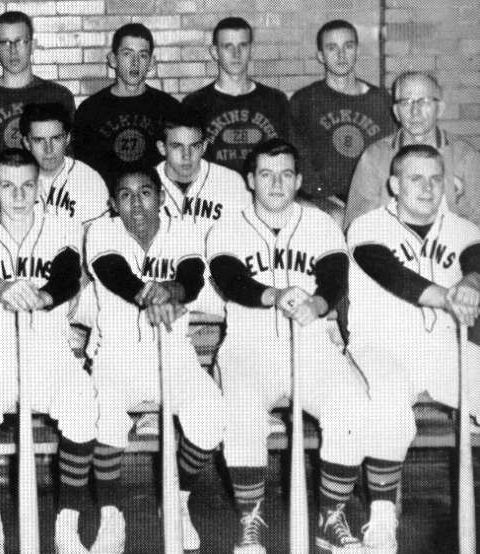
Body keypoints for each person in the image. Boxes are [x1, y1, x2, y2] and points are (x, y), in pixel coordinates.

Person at [206, 139, 369, 553]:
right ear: (250, 179)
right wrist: (275, 296)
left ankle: (330, 518)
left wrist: (317, 303)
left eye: (284, 174)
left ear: (297, 180)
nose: (275, 183)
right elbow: (230, 278)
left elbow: (335, 276)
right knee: (241, 412)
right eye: (265, 174)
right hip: (249, 346)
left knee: (352, 402)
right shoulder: (228, 225)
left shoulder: (320, 224)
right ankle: (250, 522)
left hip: (312, 345)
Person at [0, 148, 97, 554]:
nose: (18, 195)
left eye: (27, 186)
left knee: (83, 406)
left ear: (39, 187)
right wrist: (2, 288)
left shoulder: (62, 227)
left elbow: (69, 275)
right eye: (7, 186)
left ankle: (66, 525)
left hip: (49, 350)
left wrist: (43, 296)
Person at [346, 144, 480, 554]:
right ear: (393, 184)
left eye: (435, 178)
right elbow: (389, 272)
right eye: (415, 178)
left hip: (443, 347)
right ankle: (382, 521)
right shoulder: (367, 226)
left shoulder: (462, 229)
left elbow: (477, 258)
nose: (427, 187)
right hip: (380, 346)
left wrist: (472, 282)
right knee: (388, 401)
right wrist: (450, 296)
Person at [85, 167, 224, 553]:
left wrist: (171, 292)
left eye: (145, 192)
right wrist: (152, 294)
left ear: (161, 197)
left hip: (175, 356)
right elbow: (114, 273)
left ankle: (176, 501)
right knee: (104, 417)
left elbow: (192, 276)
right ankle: (111, 515)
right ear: (113, 203)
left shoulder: (184, 230)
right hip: (117, 355)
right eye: (125, 195)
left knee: (211, 412)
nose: (136, 203)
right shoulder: (101, 231)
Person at [345, 72, 480, 231]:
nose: (415, 111)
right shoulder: (374, 156)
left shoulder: (464, 156)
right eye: (406, 102)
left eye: (424, 101)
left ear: (440, 109)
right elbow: (356, 226)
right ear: (396, 112)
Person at [290, 20, 395, 220]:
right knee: (336, 218)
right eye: (332, 48)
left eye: (348, 46)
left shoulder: (380, 100)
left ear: (357, 50)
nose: (341, 55)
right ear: (320, 55)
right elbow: (298, 158)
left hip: (372, 199)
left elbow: (390, 154)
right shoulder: (304, 101)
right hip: (322, 200)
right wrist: (325, 198)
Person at [154, 108, 251, 316]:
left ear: (205, 146)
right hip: (166, 282)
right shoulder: (145, 184)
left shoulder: (230, 182)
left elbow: (246, 241)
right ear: (162, 148)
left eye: (195, 146)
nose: (187, 156)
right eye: (177, 146)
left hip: (217, 284)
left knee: (252, 310)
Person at [0, 11, 75, 174]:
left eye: (20, 41)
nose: (13, 51)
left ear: (32, 45)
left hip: (46, 194)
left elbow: (68, 158)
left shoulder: (57, 96)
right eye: (5, 42)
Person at [73, 23, 182, 180]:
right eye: (127, 54)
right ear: (113, 59)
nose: (135, 62)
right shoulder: (91, 110)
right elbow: (84, 172)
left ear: (151, 63)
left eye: (143, 55)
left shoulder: (168, 107)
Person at [182, 17, 290, 173]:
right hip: (216, 194)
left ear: (251, 50)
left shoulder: (275, 100)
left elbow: (287, 157)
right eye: (228, 46)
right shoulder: (195, 103)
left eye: (243, 46)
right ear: (215, 52)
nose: (236, 54)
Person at [21, 102, 109, 224]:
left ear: (67, 138)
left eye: (56, 138)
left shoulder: (89, 179)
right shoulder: (14, 179)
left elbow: (98, 236)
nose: (48, 149)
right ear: (26, 143)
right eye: (39, 140)